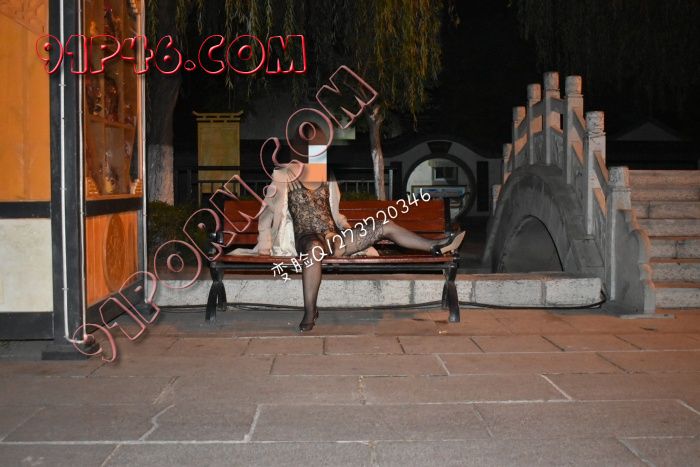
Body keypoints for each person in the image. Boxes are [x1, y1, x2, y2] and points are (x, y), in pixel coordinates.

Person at [229, 164, 465, 332]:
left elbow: (335, 213)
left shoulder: (325, 174)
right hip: (304, 238)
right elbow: (266, 214)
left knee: (384, 225)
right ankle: (310, 311)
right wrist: (265, 243)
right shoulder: (283, 175)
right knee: (313, 249)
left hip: (332, 237)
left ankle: (436, 246)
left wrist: (347, 229)